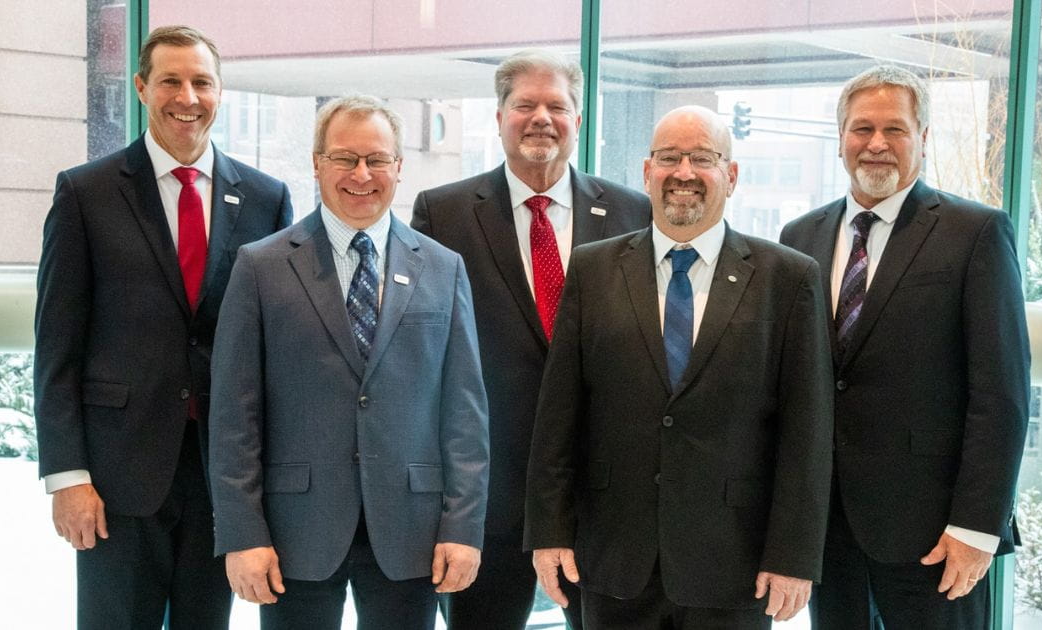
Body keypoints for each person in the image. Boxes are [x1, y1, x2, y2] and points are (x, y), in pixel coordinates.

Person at [524, 105, 834, 630]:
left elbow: (806, 431)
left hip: (735, 563)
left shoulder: (788, 277)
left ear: (731, 176)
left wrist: (793, 556)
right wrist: (549, 531)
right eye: (669, 158)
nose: (684, 172)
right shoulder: (594, 268)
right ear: (647, 173)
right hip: (614, 557)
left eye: (703, 159)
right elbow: (559, 414)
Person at [33, 24, 292, 629]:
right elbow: (56, 348)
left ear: (220, 92)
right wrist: (66, 477)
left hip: (222, 476)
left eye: (202, 82)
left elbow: (275, 351)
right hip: (115, 477)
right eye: (171, 81)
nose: (188, 97)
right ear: (142, 88)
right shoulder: (86, 192)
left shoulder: (265, 197)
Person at [207, 95, 489, 630]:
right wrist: (243, 534)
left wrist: (463, 526)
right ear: (317, 163)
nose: (362, 174)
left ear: (399, 168)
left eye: (377, 159)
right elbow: (234, 417)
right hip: (295, 532)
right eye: (345, 158)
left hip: (413, 530)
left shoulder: (443, 267)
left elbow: (465, 414)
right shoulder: (262, 266)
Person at [778, 65, 1030, 629]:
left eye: (894, 129)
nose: (876, 144)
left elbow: (1002, 395)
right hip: (828, 533)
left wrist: (976, 527)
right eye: (861, 128)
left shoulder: (976, 232)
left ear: (923, 138)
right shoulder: (799, 238)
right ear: (841, 138)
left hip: (937, 537)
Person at [411, 49, 650, 630]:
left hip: (601, 496)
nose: (541, 117)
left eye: (557, 106)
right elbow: (421, 360)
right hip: (486, 499)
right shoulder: (443, 214)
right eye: (525, 104)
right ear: (498, 116)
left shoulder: (631, 211)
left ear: (578, 119)